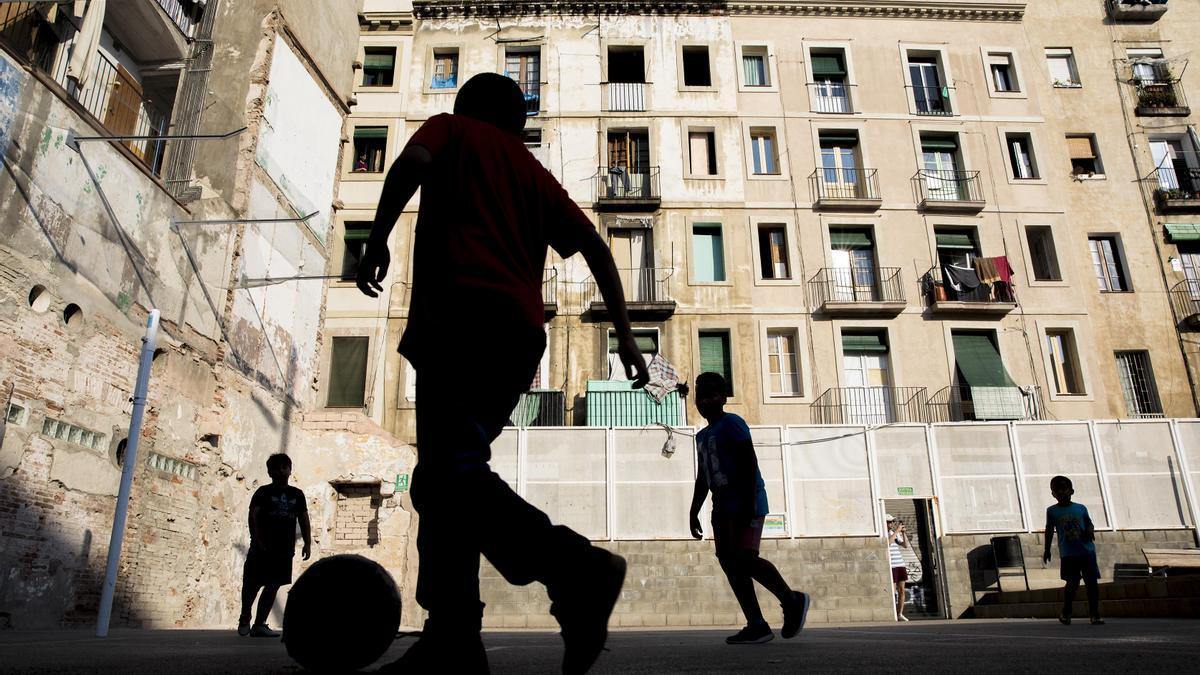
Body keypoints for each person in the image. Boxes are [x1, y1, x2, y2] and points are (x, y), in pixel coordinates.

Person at [355, 73, 650, 674]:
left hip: (455, 324)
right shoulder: (534, 174)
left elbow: (407, 165)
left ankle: (575, 570)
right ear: (518, 123)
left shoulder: (452, 131)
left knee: (446, 477)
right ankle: (453, 638)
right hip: (515, 341)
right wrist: (625, 339)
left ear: (468, 107)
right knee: (448, 475)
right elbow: (597, 249)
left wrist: (378, 236)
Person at [688, 372, 809, 645]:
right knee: (729, 562)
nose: (705, 400)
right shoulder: (702, 436)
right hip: (721, 508)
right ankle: (756, 623)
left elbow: (748, 463)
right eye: (700, 395)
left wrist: (747, 505)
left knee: (744, 557)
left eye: (711, 394)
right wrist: (694, 510)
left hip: (745, 502)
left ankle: (792, 600)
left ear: (723, 398)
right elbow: (703, 476)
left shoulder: (733, 423)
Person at [238, 453, 311, 637]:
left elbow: (303, 518)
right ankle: (245, 616)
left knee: (273, 585)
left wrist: (307, 542)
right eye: (275, 468)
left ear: (289, 470)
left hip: (284, 549)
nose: (280, 471)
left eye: (283, 467)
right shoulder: (263, 492)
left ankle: (259, 623)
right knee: (253, 583)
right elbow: (252, 515)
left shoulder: (297, 494)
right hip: (262, 547)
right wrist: (257, 539)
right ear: (269, 472)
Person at [1042, 475, 1104, 625]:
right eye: (1057, 491)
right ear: (1053, 494)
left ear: (1071, 491)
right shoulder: (1052, 511)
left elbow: (1089, 523)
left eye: (1064, 489)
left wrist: (1090, 530)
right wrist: (1047, 549)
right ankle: (1066, 612)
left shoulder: (1081, 508)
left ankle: (1094, 614)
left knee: (1091, 583)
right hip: (1068, 554)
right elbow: (1049, 530)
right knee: (1072, 583)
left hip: (1086, 551)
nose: (1061, 493)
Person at [887, 514, 910, 621]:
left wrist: (903, 533)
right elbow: (888, 543)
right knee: (892, 591)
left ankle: (900, 613)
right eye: (889, 522)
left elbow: (905, 545)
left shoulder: (893, 533)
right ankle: (892, 613)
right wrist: (897, 531)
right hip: (892, 566)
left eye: (892, 522)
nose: (891, 524)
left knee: (902, 590)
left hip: (900, 564)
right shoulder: (885, 534)